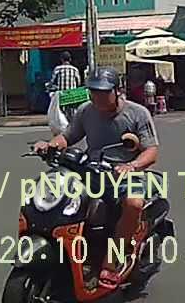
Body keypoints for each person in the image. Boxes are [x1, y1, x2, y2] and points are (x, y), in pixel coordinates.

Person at [34, 68, 159, 291]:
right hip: (91, 171)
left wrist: (131, 166)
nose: (98, 97)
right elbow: (68, 136)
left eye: (103, 92)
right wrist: (50, 145)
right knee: (60, 197)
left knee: (133, 203)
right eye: (94, 92)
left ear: (117, 91)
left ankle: (112, 261)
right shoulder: (86, 111)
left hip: (127, 174)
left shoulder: (138, 113)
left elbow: (151, 151)